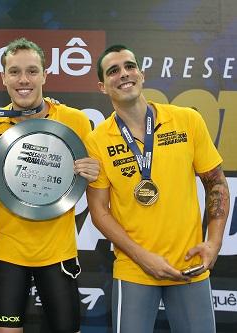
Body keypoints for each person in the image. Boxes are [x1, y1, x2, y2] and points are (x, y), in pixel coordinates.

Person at [85, 44, 230, 333]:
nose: (123, 74)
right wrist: (143, 257)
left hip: (190, 263)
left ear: (142, 74)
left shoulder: (187, 119)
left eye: (129, 66)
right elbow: (100, 211)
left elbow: (216, 183)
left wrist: (213, 243)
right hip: (134, 269)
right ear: (102, 86)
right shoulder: (97, 139)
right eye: (113, 71)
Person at [0, 37, 100, 333]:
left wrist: (93, 172)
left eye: (32, 71)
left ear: (45, 75)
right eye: (14, 72)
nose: (23, 80)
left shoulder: (74, 120)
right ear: (3, 77)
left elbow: (93, 185)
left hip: (58, 254)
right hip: (9, 254)